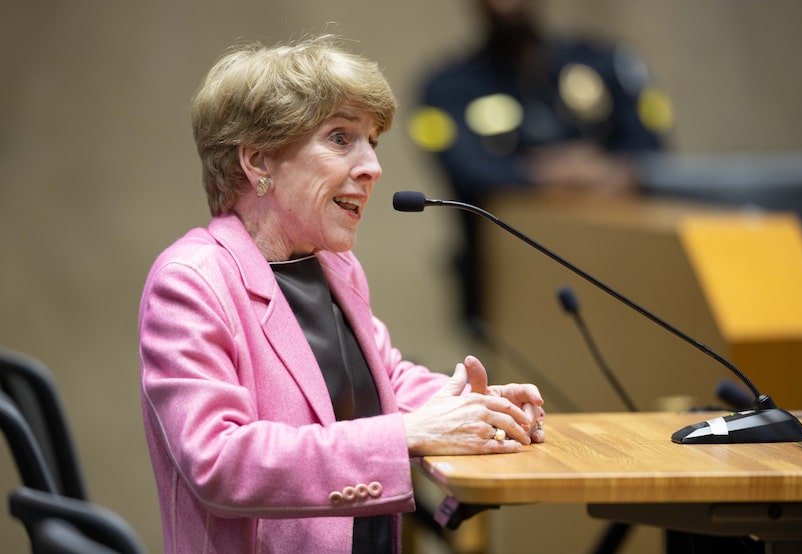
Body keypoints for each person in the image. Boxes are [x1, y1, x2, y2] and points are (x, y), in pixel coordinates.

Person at [137, 36, 545, 554]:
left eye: (371, 141)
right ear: (258, 160)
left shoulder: (333, 265)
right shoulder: (193, 280)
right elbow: (219, 460)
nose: (372, 166)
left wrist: (474, 406)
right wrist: (411, 434)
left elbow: (385, 377)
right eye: (339, 138)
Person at [410, 0, 670, 325]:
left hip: (622, 274)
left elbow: (651, 147)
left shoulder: (605, 62)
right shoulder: (446, 86)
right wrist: (545, 175)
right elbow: (467, 170)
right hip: (504, 285)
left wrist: (603, 170)